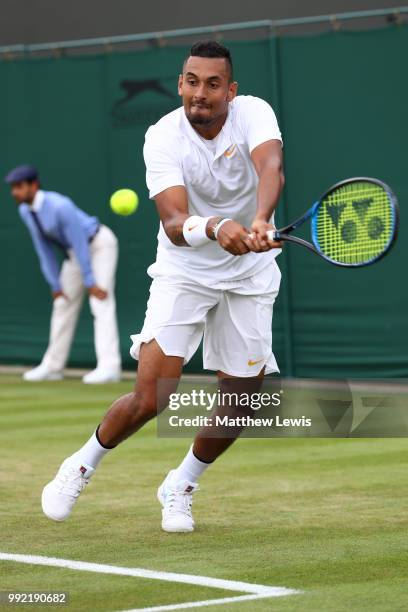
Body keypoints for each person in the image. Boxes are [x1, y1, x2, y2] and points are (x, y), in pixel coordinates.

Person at [40, 39, 284, 531]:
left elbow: (270, 167)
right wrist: (216, 227)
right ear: (179, 85)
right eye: (192, 82)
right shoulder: (162, 136)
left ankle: (182, 483)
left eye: (213, 84)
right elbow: (175, 221)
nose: (201, 93)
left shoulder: (254, 112)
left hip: (249, 276)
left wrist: (260, 218)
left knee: (243, 400)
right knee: (152, 396)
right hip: (184, 271)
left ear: (230, 91)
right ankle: (81, 464)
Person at [5, 165, 122, 384]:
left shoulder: (60, 206)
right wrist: (55, 284)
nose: (15, 192)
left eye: (19, 187)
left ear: (34, 185)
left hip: (98, 245)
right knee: (62, 305)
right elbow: (43, 248)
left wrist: (89, 280)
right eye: (13, 188)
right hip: (74, 255)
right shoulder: (25, 211)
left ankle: (109, 367)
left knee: (100, 301)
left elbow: (79, 242)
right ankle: (53, 366)